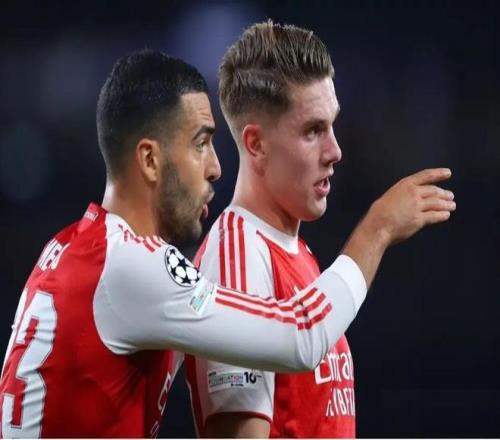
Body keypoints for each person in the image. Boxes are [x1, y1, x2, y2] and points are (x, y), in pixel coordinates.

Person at [0, 49, 455, 438]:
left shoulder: (70, 249)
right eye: (200, 143)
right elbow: (299, 334)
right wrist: (377, 229)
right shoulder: (131, 268)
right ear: (150, 160)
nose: (216, 167)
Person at [185, 21, 456, 438]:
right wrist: (377, 228)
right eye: (313, 131)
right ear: (256, 144)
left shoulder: (297, 255)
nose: (335, 151)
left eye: (332, 126)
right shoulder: (235, 253)